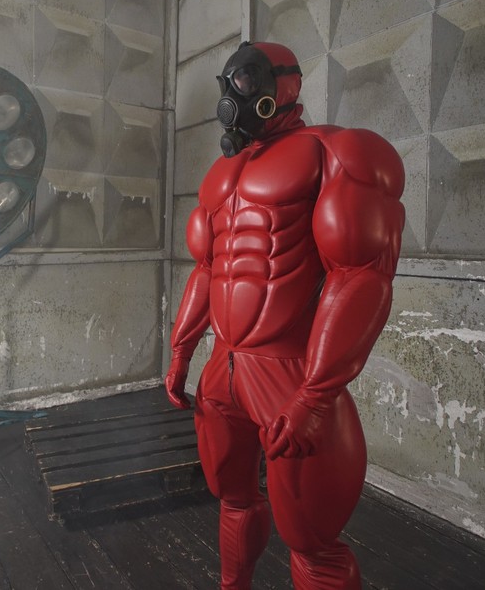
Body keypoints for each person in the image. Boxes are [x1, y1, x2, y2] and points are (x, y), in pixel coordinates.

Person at [165, 41, 405, 589]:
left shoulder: (337, 153)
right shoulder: (220, 175)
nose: (234, 95)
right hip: (223, 368)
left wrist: (315, 397)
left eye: (247, 81)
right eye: (230, 83)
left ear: (286, 85)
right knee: (232, 499)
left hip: (289, 373)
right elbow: (207, 270)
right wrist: (181, 351)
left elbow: (360, 278)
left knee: (312, 539)